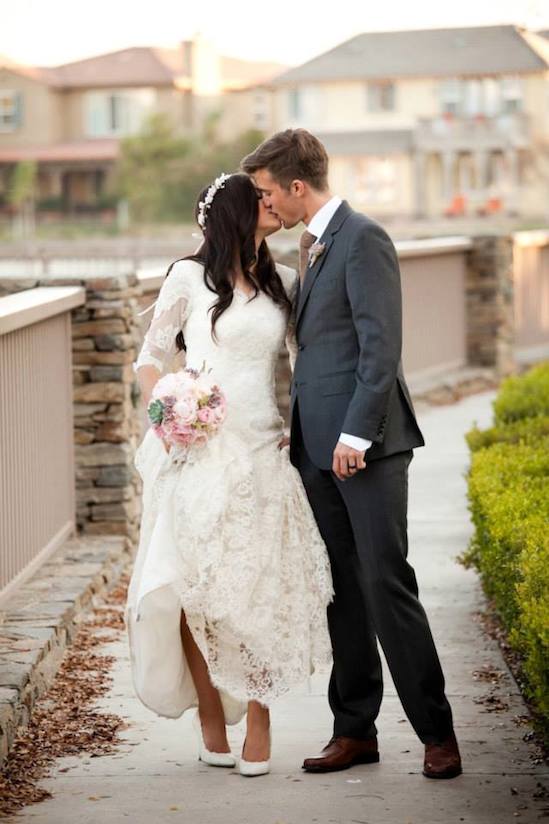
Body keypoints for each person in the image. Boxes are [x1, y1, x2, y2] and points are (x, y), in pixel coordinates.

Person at [241, 129, 462, 780]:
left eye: (266, 193)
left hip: (363, 447)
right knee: (340, 590)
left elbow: (378, 346)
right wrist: (303, 428)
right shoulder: (311, 247)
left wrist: (355, 436)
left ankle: (436, 733)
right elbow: (318, 351)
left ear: (296, 187)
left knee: (385, 583)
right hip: (314, 445)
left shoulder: (362, 238)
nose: (266, 205)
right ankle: (354, 731)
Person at [125, 172, 333, 778]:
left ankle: (261, 719)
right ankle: (211, 719)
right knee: (194, 590)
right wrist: (168, 411)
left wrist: (305, 426)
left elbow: (302, 366)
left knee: (258, 589)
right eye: (261, 201)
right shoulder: (189, 277)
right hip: (197, 451)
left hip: (263, 448)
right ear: (237, 214)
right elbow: (150, 360)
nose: (271, 206)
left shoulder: (285, 282)